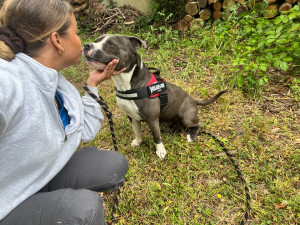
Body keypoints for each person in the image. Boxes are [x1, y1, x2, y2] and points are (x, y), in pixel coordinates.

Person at [0, 0, 129, 224]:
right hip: (6, 197)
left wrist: (92, 86)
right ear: (57, 40)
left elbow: (84, 131)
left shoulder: (55, 80)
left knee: (113, 166)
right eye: (77, 33)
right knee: (83, 209)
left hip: (35, 175)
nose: (82, 41)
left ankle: (43, 198)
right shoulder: (8, 81)